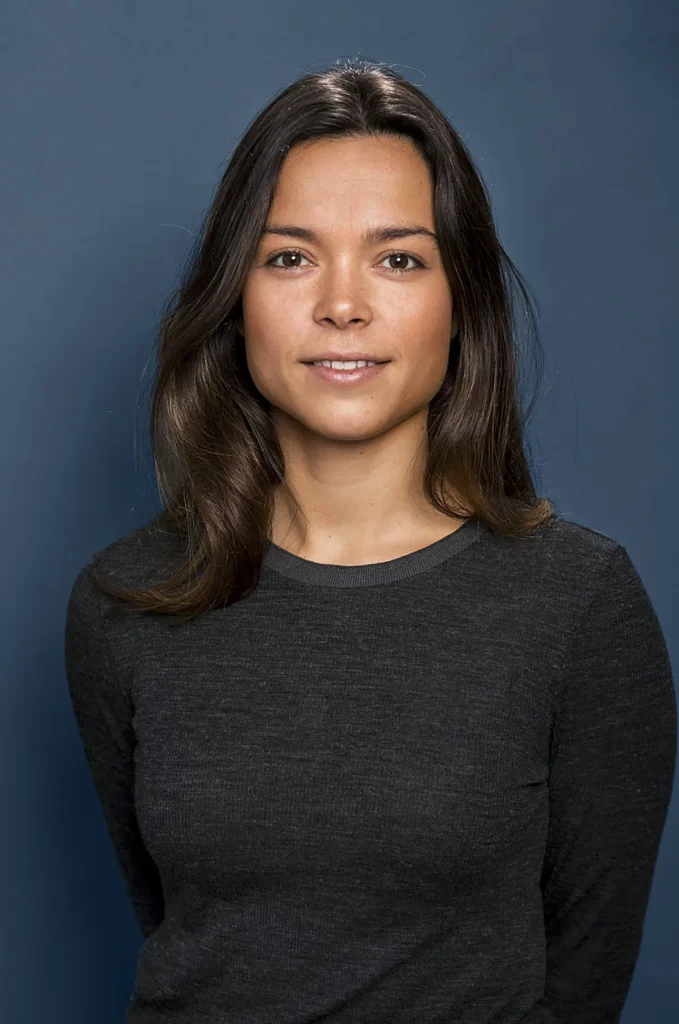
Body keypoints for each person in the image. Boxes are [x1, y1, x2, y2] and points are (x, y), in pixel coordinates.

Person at [64, 58, 677, 1023]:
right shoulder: (127, 599)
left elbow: (585, 972)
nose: (342, 304)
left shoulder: (577, 601)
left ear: (461, 301)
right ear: (234, 297)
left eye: (398, 259)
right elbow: (174, 919)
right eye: (289, 258)